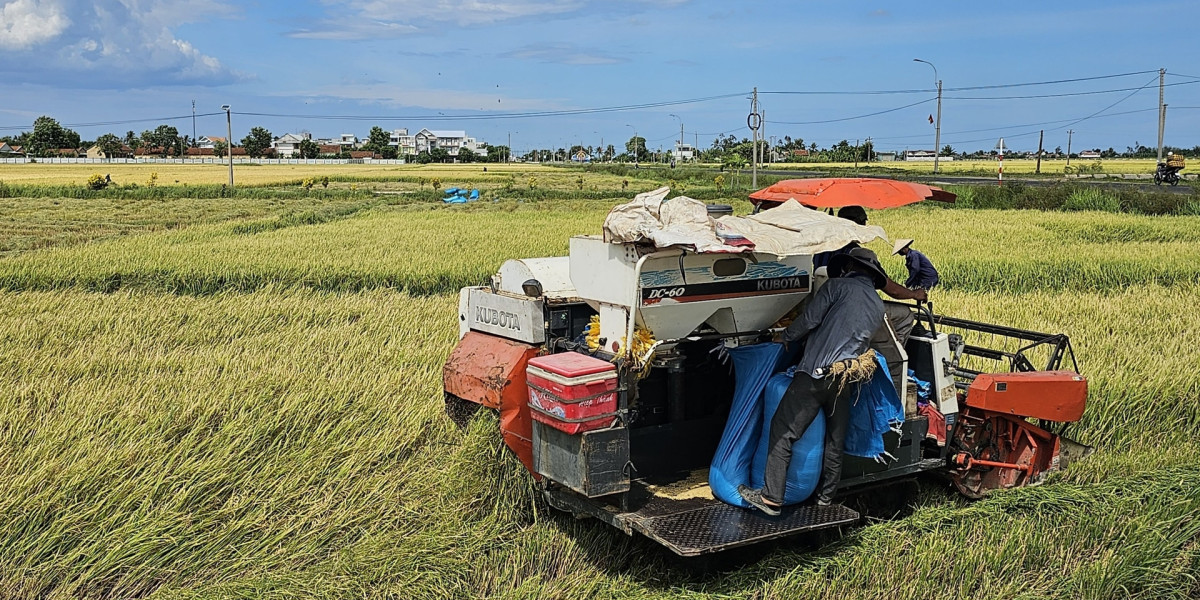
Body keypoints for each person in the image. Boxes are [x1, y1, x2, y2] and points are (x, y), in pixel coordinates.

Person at [738, 247, 888, 515]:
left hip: (815, 373)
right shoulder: (877, 304)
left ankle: (772, 497)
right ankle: (826, 499)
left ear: (849, 267)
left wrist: (785, 337)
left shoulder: (837, 286)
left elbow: (809, 319)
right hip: (844, 378)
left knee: (782, 430)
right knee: (835, 440)